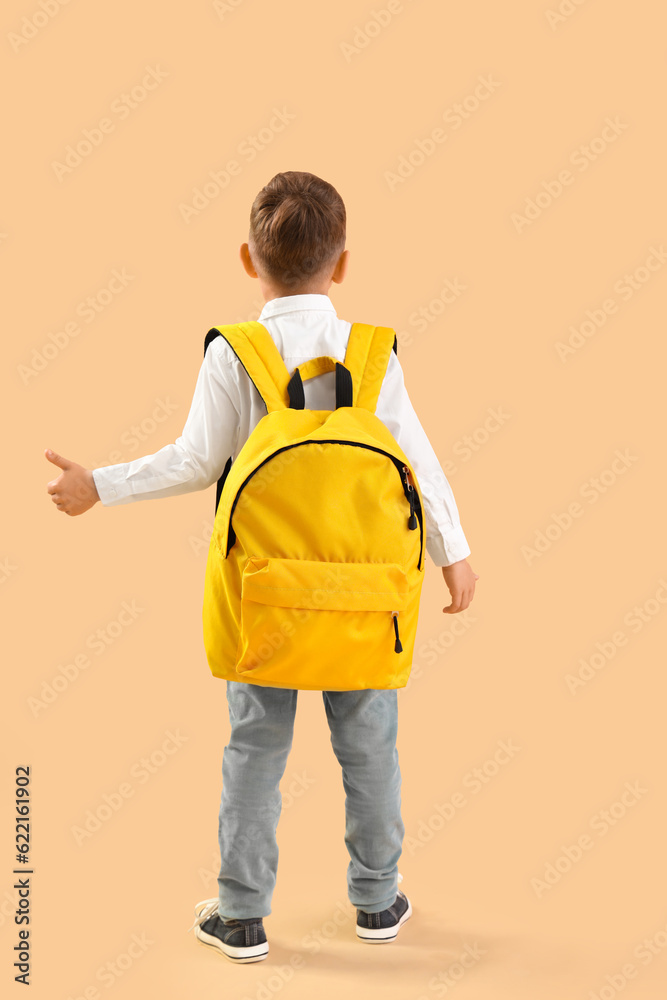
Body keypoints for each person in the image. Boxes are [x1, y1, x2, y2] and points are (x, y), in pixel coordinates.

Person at [45, 170, 479, 965]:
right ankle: (378, 901)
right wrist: (454, 553)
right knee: (370, 746)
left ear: (249, 259)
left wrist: (95, 485)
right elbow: (418, 463)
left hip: (261, 595)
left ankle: (241, 915)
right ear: (342, 263)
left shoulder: (233, 352)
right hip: (365, 592)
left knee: (255, 746)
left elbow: (192, 462)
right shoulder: (373, 354)